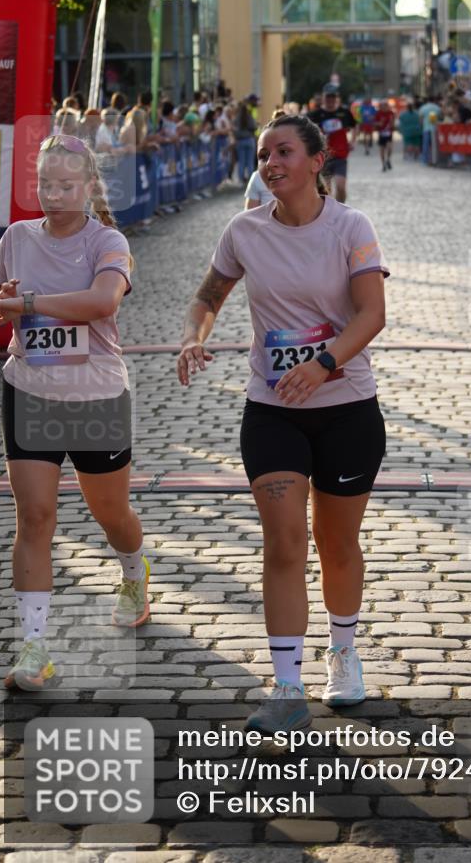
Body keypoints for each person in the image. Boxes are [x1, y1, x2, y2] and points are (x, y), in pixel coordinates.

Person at [177, 114, 388, 733]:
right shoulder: (243, 230)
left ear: (317, 161)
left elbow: (372, 314)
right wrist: (193, 336)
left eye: (285, 152)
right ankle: (288, 684)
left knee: (337, 544)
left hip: (347, 407)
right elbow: (207, 296)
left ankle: (343, 653)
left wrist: (322, 366)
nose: (271, 163)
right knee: (284, 542)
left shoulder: (351, 227)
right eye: (264, 153)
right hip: (271, 411)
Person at [0, 134, 150, 691]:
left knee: (111, 514)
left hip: (95, 396)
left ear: (88, 187)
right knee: (34, 518)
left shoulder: (108, 242)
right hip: (29, 389)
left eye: (64, 186)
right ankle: (34, 649)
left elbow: (103, 302)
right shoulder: (17, 237)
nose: (52, 196)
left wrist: (26, 303)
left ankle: (133, 571)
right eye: (43, 185)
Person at [308, 84, 356, 203]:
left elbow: (355, 126)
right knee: (326, 190)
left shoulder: (344, 112)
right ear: (323, 97)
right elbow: (306, 132)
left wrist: (353, 141)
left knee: (341, 187)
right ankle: (329, 212)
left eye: (333, 97)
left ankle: (340, 209)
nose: (330, 100)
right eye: (328, 97)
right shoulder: (315, 115)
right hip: (323, 157)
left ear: (337, 98)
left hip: (340, 155)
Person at [374, 99, 395, 172]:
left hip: (389, 133)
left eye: (386, 105)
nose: (384, 107)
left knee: (389, 148)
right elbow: (374, 123)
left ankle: (388, 160)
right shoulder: (378, 113)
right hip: (381, 134)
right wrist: (379, 123)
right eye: (383, 106)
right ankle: (383, 164)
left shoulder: (391, 113)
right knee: (382, 150)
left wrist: (392, 124)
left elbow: (393, 124)